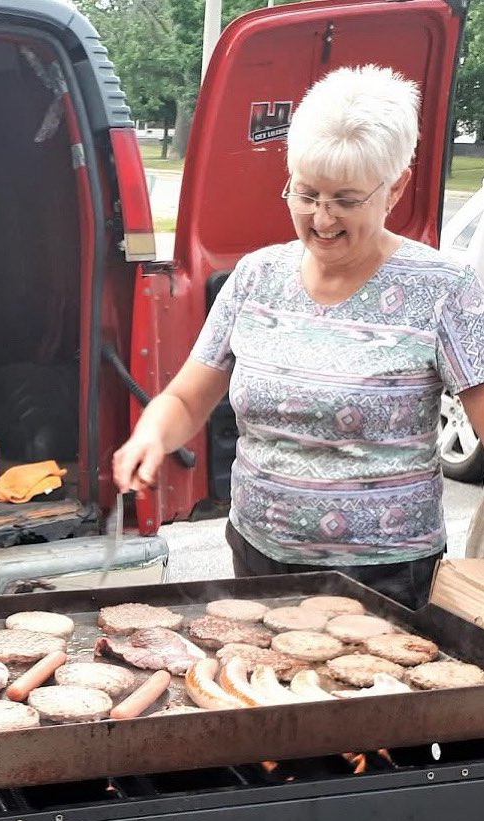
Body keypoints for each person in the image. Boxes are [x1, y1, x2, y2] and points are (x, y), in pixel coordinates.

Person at [114, 64, 484, 610]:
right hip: (257, 556)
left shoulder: (446, 289)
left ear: (396, 186)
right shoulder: (256, 276)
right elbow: (189, 397)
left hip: (382, 577)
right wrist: (151, 435)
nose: (321, 217)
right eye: (306, 193)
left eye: (346, 199)